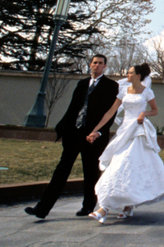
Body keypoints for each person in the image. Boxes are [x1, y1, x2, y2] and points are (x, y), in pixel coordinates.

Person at [25, 55, 120, 219]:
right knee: (61, 170)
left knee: (90, 172)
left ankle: (88, 206)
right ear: (90, 65)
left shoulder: (111, 86)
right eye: (94, 63)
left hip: (93, 136)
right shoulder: (82, 84)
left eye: (100, 63)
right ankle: (42, 209)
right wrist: (65, 128)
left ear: (105, 66)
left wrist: (99, 131)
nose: (96, 65)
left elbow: (110, 113)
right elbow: (73, 108)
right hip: (74, 133)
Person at [86, 63, 164, 223]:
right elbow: (111, 112)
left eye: (130, 73)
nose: (127, 75)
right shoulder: (123, 91)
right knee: (118, 166)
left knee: (131, 166)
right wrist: (95, 129)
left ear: (138, 76)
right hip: (125, 131)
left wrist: (144, 113)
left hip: (138, 132)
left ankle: (116, 208)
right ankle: (108, 207)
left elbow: (155, 110)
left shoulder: (147, 92)